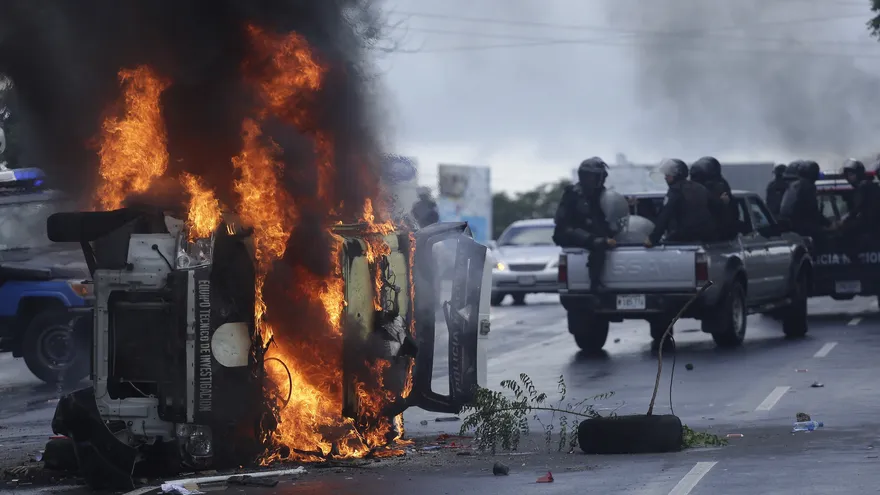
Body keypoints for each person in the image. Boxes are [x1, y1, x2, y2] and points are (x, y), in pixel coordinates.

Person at [553, 157, 615, 290]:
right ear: (587, 176)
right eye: (596, 176)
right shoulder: (572, 194)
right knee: (598, 244)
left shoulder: (602, 195)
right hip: (570, 232)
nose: (600, 179)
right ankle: (595, 283)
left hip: (590, 231)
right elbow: (562, 222)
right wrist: (593, 239)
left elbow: (607, 216)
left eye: (601, 176)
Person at [645, 158, 717, 246]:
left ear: (676, 175)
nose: (665, 177)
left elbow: (665, 215)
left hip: (685, 235)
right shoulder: (700, 187)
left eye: (668, 175)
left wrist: (653, 239)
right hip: (708, 237)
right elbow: (715, 207)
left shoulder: (675, 191)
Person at [778, 160, 833, 245]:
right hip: (801, 224)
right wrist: (828, 224)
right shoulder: (808, 186)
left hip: (790, 224)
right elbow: (813, 210)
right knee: (825, 239)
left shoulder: (795, 185)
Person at [837, 159, 880, 261]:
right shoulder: (869, 185)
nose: (849, 178)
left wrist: (843, 221)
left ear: (859, 174)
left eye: (851, 174)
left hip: (871, 225)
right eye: (847, 175)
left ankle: (853, 258)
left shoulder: (864, 186)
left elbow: (858, 208)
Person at [691, 156, 739, 240]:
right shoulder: (691, 189)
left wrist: (723, 204)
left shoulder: (719, 186)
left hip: (718, 236)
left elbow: (730, 216)